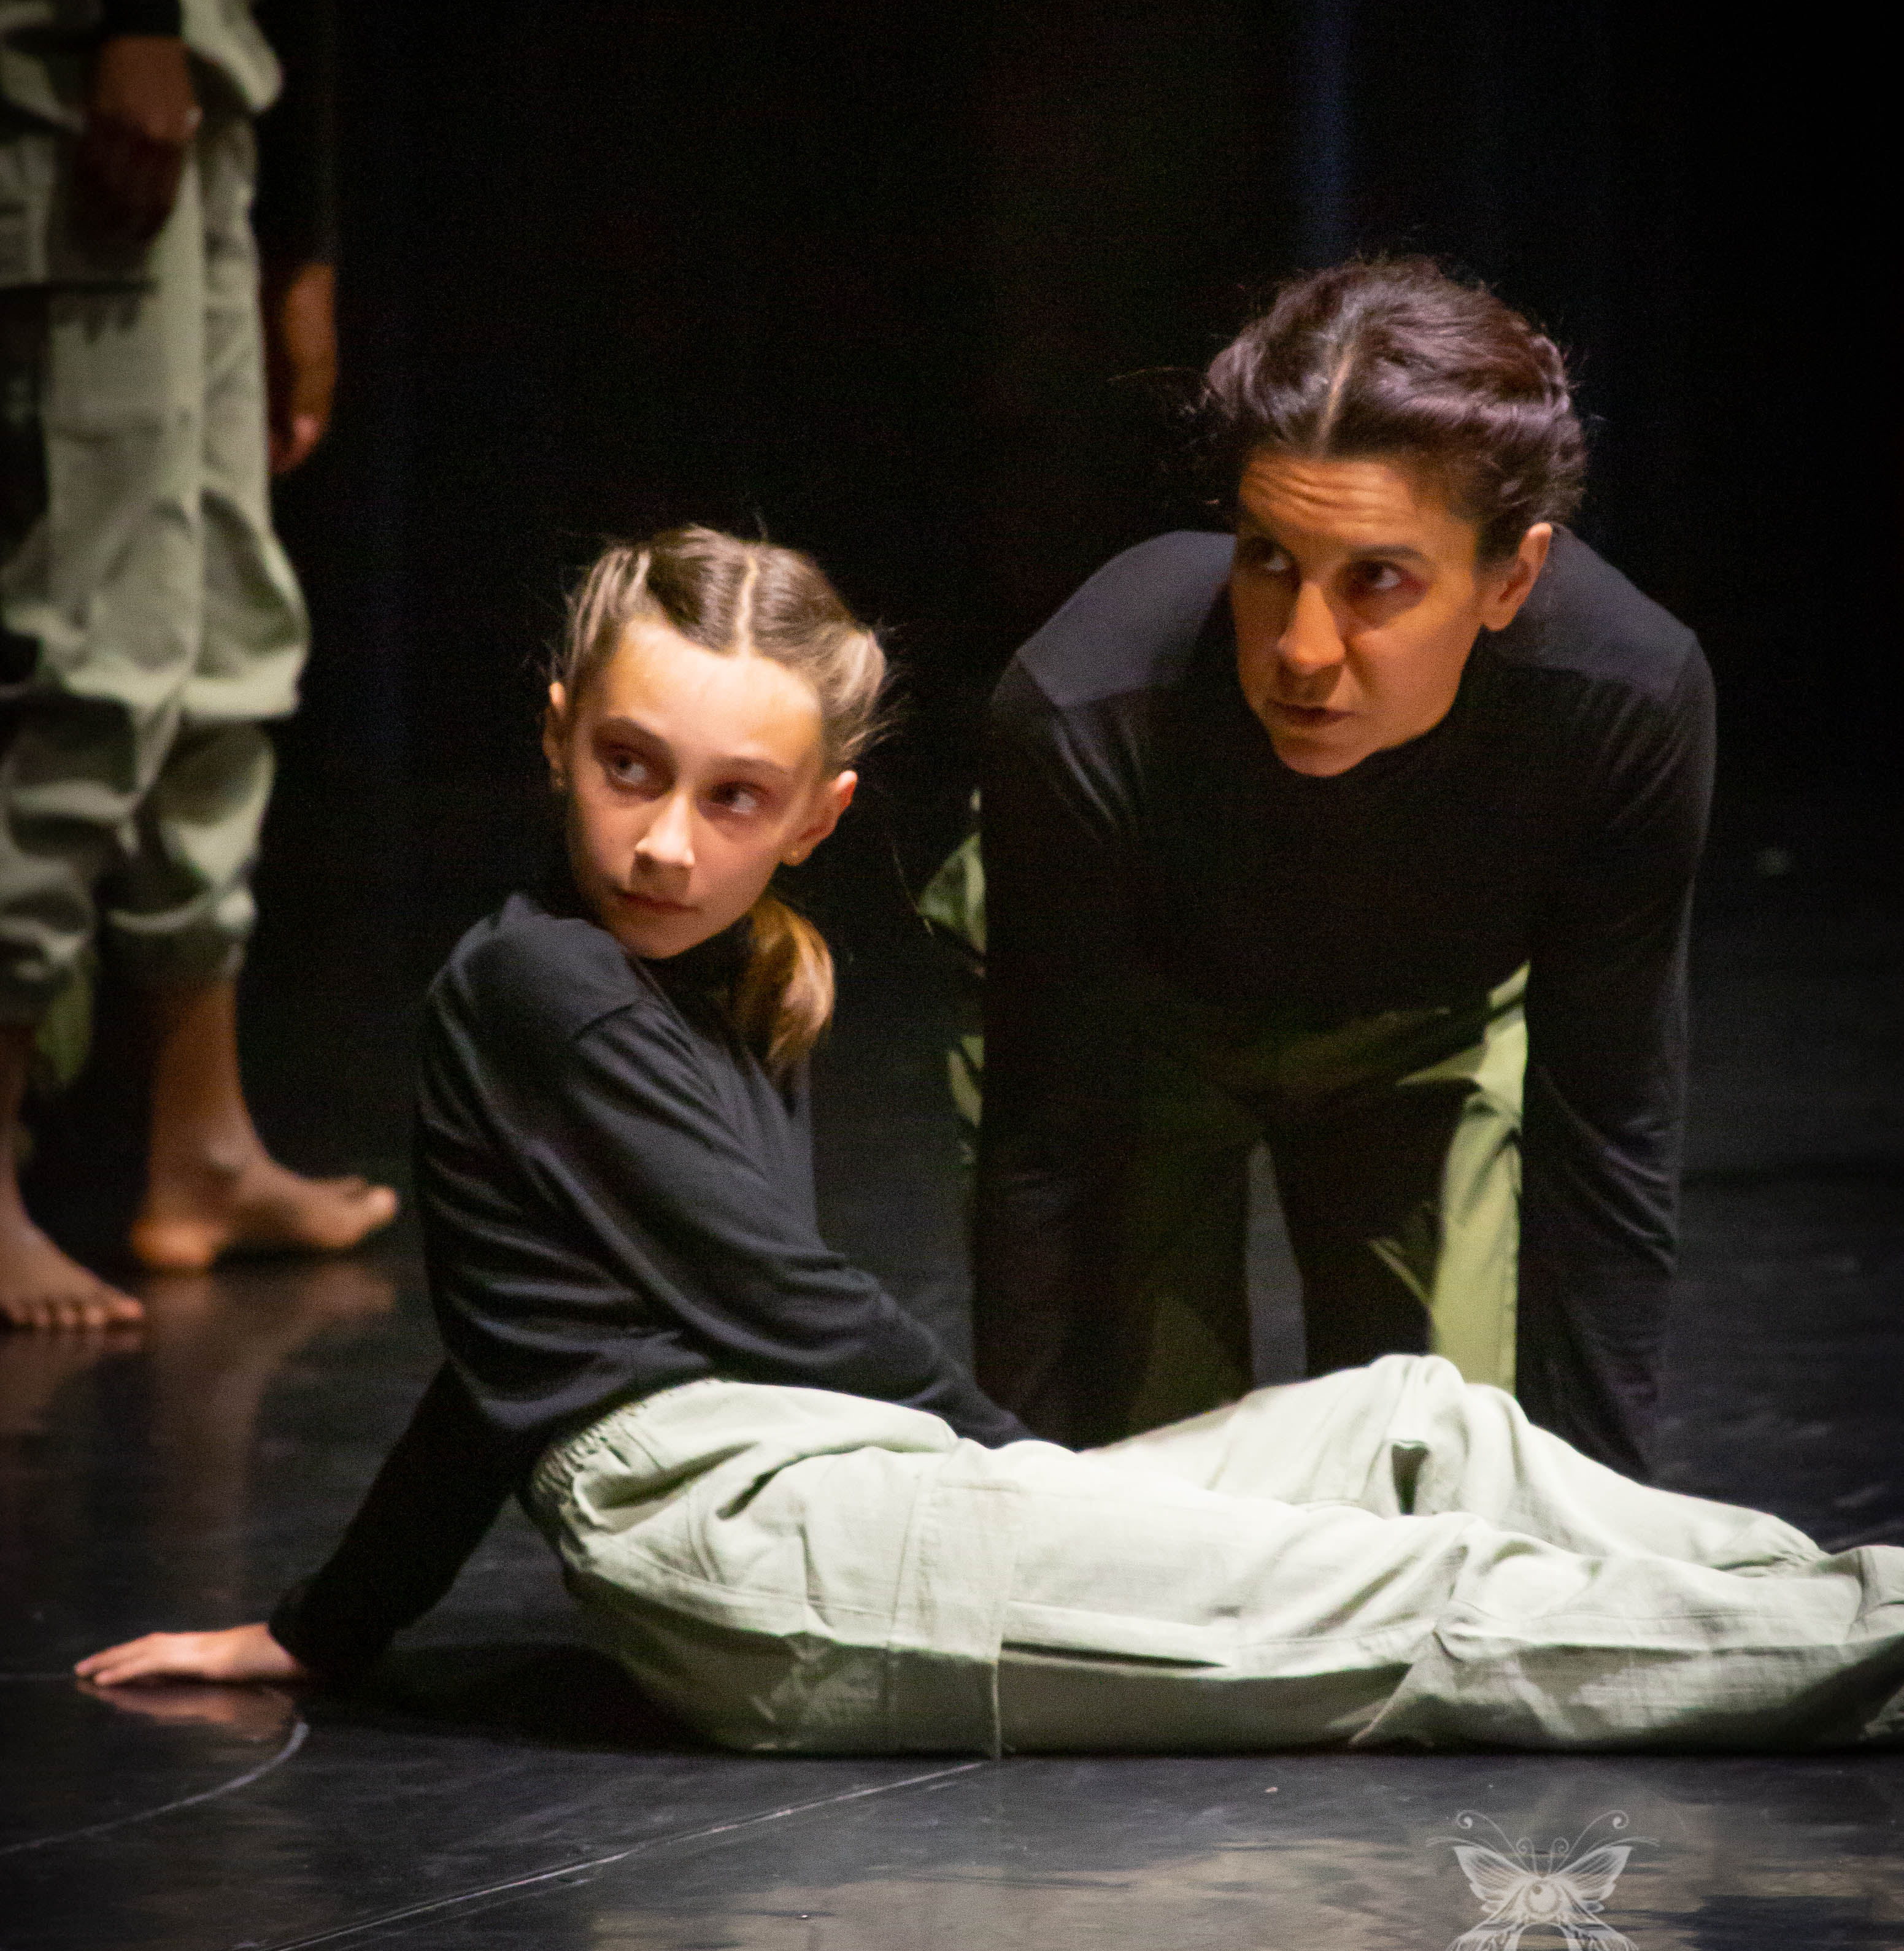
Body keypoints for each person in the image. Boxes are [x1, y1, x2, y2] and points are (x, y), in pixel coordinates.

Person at [77, 528, 1904, 1757]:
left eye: (733, 798)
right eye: (629, 767)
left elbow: (495, 1357)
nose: (666, 842)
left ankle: (1833, 1596)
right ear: (558, 734)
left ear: (815, 818)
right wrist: (1046, 1473)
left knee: (1417, 1423)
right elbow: (779, 1304)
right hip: (746, 1544)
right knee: (1412, 1604)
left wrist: (328, 1628)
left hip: (843, 1484)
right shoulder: (542, 985)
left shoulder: (728, 979)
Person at [960, 259, 1713, 1477]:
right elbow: (1050, 1144)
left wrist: (1595, 1520)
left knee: (1454, 1475)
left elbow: (1608, 1130)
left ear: (1511, 578)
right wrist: (1034, 1496)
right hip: (1141, 1028)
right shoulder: (1085, 704)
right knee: (1146, 1499)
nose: (1303, 650)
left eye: (1377, 579)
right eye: (1268, 558)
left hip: (1430, 1024)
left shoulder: (1616, 700)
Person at [0, 0, 470, 1330]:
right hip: (99, 17)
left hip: (219, 39)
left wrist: (303, 249)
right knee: (102, 631)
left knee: (220, 627)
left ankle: (197, 1142)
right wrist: (132, 5)